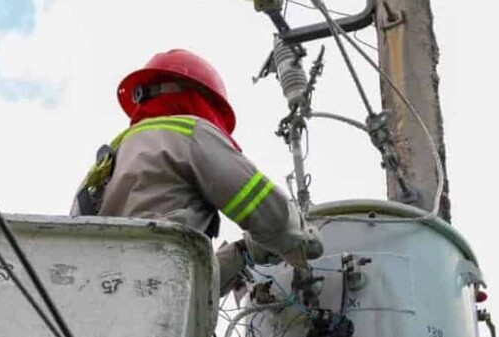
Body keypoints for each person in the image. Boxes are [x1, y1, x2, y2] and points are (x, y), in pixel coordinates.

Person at [71, 49, 323, 294]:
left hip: (89, 307)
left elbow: (181, 289)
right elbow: (267, 213)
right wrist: (302, 237)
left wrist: (239, 254)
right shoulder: (188, 133)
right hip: (153, 297)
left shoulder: (105, 162)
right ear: (201, 97)